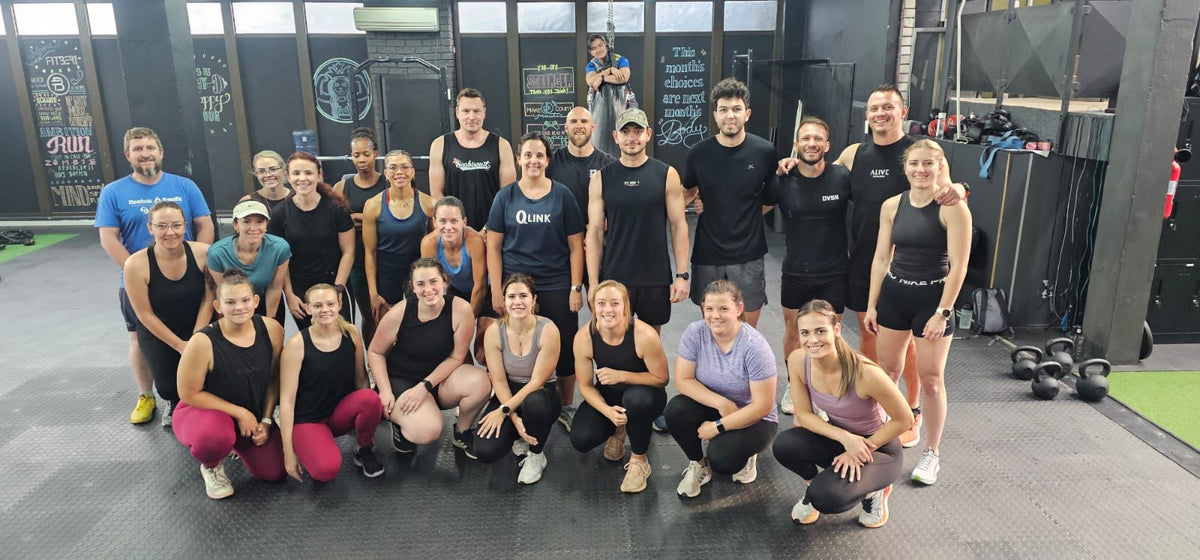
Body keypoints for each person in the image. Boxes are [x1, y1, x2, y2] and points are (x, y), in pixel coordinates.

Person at [778, 85, 966, 445]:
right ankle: (871, 408)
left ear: (902, 112)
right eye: (875, 108)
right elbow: (818, 172)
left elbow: (947, 189)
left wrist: (959, 186)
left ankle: (912, 409)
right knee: (871, 335)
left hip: (914, 266)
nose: (881, 113)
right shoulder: (854, 155)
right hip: (867, 260)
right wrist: (792, 163)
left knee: (911, 345)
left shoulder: (920, 153)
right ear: (867, 116)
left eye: (888, 107)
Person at [864, 139, 971, 485]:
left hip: (932, 301)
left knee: (932, 381)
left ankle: (931, 453)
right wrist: (872, 304)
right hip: (895, 296)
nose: (920, 170)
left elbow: (959, 267)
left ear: (940, 167)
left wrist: (943, 312)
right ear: (905, 168)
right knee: (887, 372)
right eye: (914, 164)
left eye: (928, 163)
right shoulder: (891, 205)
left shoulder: (953, 208)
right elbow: (882, 258)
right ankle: (886, 439)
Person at [96, 126, 214, 425]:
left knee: (195, 332)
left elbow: (205, 226)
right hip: (139, 282)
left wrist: (199, 263)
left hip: (187, 278)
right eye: (138, 149)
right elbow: (108, 237)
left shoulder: (185, 186)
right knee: (140, 339)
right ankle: (146, 395)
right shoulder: (113, 192)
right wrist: (141, 271)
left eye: (150, 148)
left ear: (161, 152)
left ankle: (198, 394)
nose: (145, 154)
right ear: (128, 155)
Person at [771, 300, 914, 528]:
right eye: (805, 333)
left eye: (820, 331)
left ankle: (875, 491)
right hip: (842, 439)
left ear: (836, 329)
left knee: (826, 498)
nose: (812, 340)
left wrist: (860, 449)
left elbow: (905, 419)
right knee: (785, 445)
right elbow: (804, 415)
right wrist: (845, 439)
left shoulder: (865, 373)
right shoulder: (798, 360)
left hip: (879, 450)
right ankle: (813, 487)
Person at [486, 132, 585, 431]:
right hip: (516, 284)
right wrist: (496, 290)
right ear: (518, 159)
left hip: (556, 281)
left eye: (539, 155)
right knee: (514, 343)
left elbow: (576, 246)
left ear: (547, 160)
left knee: (565, 345)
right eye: (527, 154)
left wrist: (575, 287)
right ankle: (514, 400)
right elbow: (493, 246)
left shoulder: (562, 195)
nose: (533, 160)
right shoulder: (505, 197)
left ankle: (566, 405)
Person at [762, 117, 851, 414]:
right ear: (796, 144)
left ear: (827, 145)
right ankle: (796, 384)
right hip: (796, 271)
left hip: (834, 272)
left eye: (817, 139)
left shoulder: (842, 177)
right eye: (806, 138)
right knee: (794, 331)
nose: (811, 143)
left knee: (829, 333)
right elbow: (752, 208)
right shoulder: (783, 179)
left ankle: (825, 389)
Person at [173, 270, 286, 499]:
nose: (239, 307)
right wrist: (240, 412)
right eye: (230, 302)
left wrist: (266, 420)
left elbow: (275, 378)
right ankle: (211, 466)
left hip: (251, 416)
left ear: (256, 301)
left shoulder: (272, 329)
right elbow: (189, 393)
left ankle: (234, 444)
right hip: (204, 412)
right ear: (218, 306)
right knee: (214, 438)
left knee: (274, 472)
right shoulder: (202, 341)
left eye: (245, 300)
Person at [666, 280, 778, 498]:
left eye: (724, 308)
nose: (715, 316)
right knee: (675, 410)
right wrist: (722, 403)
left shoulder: (754, 346)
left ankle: (748, 455)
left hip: (755, 416)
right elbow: (683, 380)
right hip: (717, 405)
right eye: (709, 309)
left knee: (722, 460)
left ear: (739, 309)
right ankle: (699, 464)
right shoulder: (696, 332)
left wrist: (717, 427)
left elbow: (763, 406)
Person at [367, 259, 491, 455]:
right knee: (428, 431)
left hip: (436, 381)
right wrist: (384, 391)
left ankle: (462, 432)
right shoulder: (399, 312)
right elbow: (375, 352)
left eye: (434, 282)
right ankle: (399, 422)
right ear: (413, 288)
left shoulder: (461, 310)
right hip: (401, 380)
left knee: (481, 382)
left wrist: (424, 386)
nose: (428, 289)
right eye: (421, 284)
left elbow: (456, 358)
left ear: (444, 281)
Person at [683, 79, 777, 329]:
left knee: (747, 330)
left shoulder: (764, 151)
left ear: (747, 113)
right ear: (715, 115)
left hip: (749, 254)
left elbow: (770, 199)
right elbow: (686, 192)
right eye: (723, 109)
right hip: (707, 254)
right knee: (712, 327)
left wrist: (745, 217)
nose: (730, 115)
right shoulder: (699, 153)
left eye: (736, 109)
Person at [586, 107, 690, 330]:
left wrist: (682, 274)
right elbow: (594, 232)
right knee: (614, 338)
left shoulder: (667, 174)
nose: (631, 137)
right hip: (615, 277)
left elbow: (678, 225)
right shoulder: (602, 178)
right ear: (616, 136)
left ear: (648, 134)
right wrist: (593, 283)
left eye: (637, 131)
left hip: (655, 277)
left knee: (651, 341)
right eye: (625, 132)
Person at [569, 280, 669, 493]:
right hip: (610, 395)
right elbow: (585, 386)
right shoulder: (584, 337)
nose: (608, 310)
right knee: (581, 439)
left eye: (615, 303)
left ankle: (639, 461)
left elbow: (661, 379)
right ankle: (619, 430)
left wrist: (622, 375)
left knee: (635, 400)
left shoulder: (644, 334)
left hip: (646, 395)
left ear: (625, 305)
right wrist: (607, 411)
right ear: (593, 306)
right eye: (601, 303)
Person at [278, 284, 385, 482]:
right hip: (310, 419)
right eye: (318, 305)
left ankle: (363, 450)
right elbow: (286, 401)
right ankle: (309, 443)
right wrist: (288, 452)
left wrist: (368, 428)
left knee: (370, 398)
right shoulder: (296, 346)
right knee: (325, 471)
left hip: (339, 414)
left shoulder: (351, 333)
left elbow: (361, 379)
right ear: (308, 308)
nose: (325, 309)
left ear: (339, 304)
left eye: (330, 304)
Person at [123, 201, 213, 428]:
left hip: (198, 326)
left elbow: (209, 299)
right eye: (162, 226)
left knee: (211, 378)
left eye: (176, 225)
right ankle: (174, 402)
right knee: (168, 388)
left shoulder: (203, 253)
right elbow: (144, 315)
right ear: (150, 228)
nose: (170, 232)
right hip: (159, 330)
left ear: (185, 226)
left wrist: (196, 338)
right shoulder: (135, 264)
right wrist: (180, 346)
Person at [472, 274, 563, 485]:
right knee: (485, 450)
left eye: (523, 296)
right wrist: (513, 418)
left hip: (541, 395)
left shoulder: (548, 330)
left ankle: (537, 455)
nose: (517, 302)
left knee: (535, 402)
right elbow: (499, 382)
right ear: (504, 301)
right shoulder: (494, 331)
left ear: (534, 299)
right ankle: (521, 433)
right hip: (509, 393)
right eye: (511, 297)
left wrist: (504, 411)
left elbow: (537, 382)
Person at [268, 152, 355, 330]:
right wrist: (289, 294)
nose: (302, 178)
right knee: (311, 340)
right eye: (296, 173)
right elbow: (280, 260)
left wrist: (338, 289)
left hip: (335, 285)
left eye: (308, 173)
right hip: (301, 291)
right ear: (288, 177)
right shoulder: (280, 213)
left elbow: (348, 251)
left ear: (318, 175)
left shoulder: (336, 209)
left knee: (344, 337)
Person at [429, 88, 517, 229]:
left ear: (484, 113)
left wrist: (488, 228)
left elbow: (507, 196)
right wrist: (455, 226)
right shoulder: (440, 145)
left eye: (476, 111)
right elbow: (437, 194)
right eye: (466, 111)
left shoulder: (502, 146)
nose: (471, 116)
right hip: (454, 230)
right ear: (457, 112)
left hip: (493, 229)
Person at [362, 149, 436, 316]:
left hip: (417, 272)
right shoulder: (373, 205)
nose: (399, 172)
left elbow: (435, 246)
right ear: (386, 173)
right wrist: (373, 293)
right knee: (386, 323)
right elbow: (370, 253)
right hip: (386, 274)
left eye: (405, 167)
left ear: (413, 172)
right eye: (393, 168)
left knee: (421, 321)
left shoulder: (429, 203)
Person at [333, 128, 389, 345]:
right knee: (368, 314)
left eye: (366, 154)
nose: (362, 160)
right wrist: (371, 218)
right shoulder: (342, 187)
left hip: (386, 257)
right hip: (357, 260)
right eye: (356, 155)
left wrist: (359, 217)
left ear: (376, 154)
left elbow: (391, 219)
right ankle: (372, 361)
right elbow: (339, 223)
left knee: (388, 313)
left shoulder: (388, 184)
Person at [420, 196, 492, 363]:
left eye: (454, 221)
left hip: (483, 292)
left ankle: (493, 376)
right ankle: (466, 374)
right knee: (454, 343)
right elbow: (429, 284)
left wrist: (467, 322)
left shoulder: (475, 240)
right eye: (442, 221)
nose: (448, 227)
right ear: (434, 222)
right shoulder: (429, 243)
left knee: (482, 354)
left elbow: (480, 286)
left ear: (464, 221)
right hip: (457, 291)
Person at [207, 200, 291, 324]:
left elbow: (274, 288)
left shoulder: (280, 247)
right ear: (236, 225)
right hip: (234, 305)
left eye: (260, 222)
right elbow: (224, 292)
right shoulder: (217, 253)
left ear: (266, 225)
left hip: (267, 302)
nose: (254, 228)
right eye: (247, 222)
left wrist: (269, 323)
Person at [547, 106, 615, 234]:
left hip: (598, 238)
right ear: (566, 127)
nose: (579, 126)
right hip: (560, 237)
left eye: (584, 121)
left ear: (593, 127)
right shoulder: (551, 163)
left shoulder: (609, 165)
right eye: (573, 121)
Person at [585, 34, 635, 157]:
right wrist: (610, 71)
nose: (598, 49)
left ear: (606, 45)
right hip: (599, 107)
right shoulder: (591, 65)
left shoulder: (621, 60)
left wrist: (602, 78)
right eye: (594, 48)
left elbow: (623, 77)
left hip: (623, 104)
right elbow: (592, 82)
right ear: (591, 52)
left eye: (600, 45)